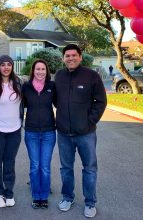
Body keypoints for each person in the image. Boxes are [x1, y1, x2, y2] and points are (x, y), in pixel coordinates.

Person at [54, 44, 107, 218]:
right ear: (63, 58)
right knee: (66, 168)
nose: (70, 58)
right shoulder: (59, 76)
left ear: (80, 56)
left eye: (74, 55)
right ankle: (67, 197)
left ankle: (90, 202)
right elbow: (56, 100)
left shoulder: (91, 76)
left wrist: (89, 121)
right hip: (63, 133)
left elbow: (100, 102)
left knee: (89, 168)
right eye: (67, 56)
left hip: (86, 134)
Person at [0, 55, 24, 208]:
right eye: (3, 64)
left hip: (15, 130)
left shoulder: (19, 83)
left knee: (9, 163)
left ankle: (9, 192)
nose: (6, 67)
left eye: (9, 64)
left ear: (12, 66)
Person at [22, 59, 56, 209]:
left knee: (45, 166)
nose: (40, 72)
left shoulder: (52, 86)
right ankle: (37, 196)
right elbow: (18, 105)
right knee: (35, 165)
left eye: (43, 69)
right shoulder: (26, 87)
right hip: (31, 132)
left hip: (49, 132)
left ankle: (44, 195)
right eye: (37, 69)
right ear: (33, 71)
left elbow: (61, 104)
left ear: (46, 71)